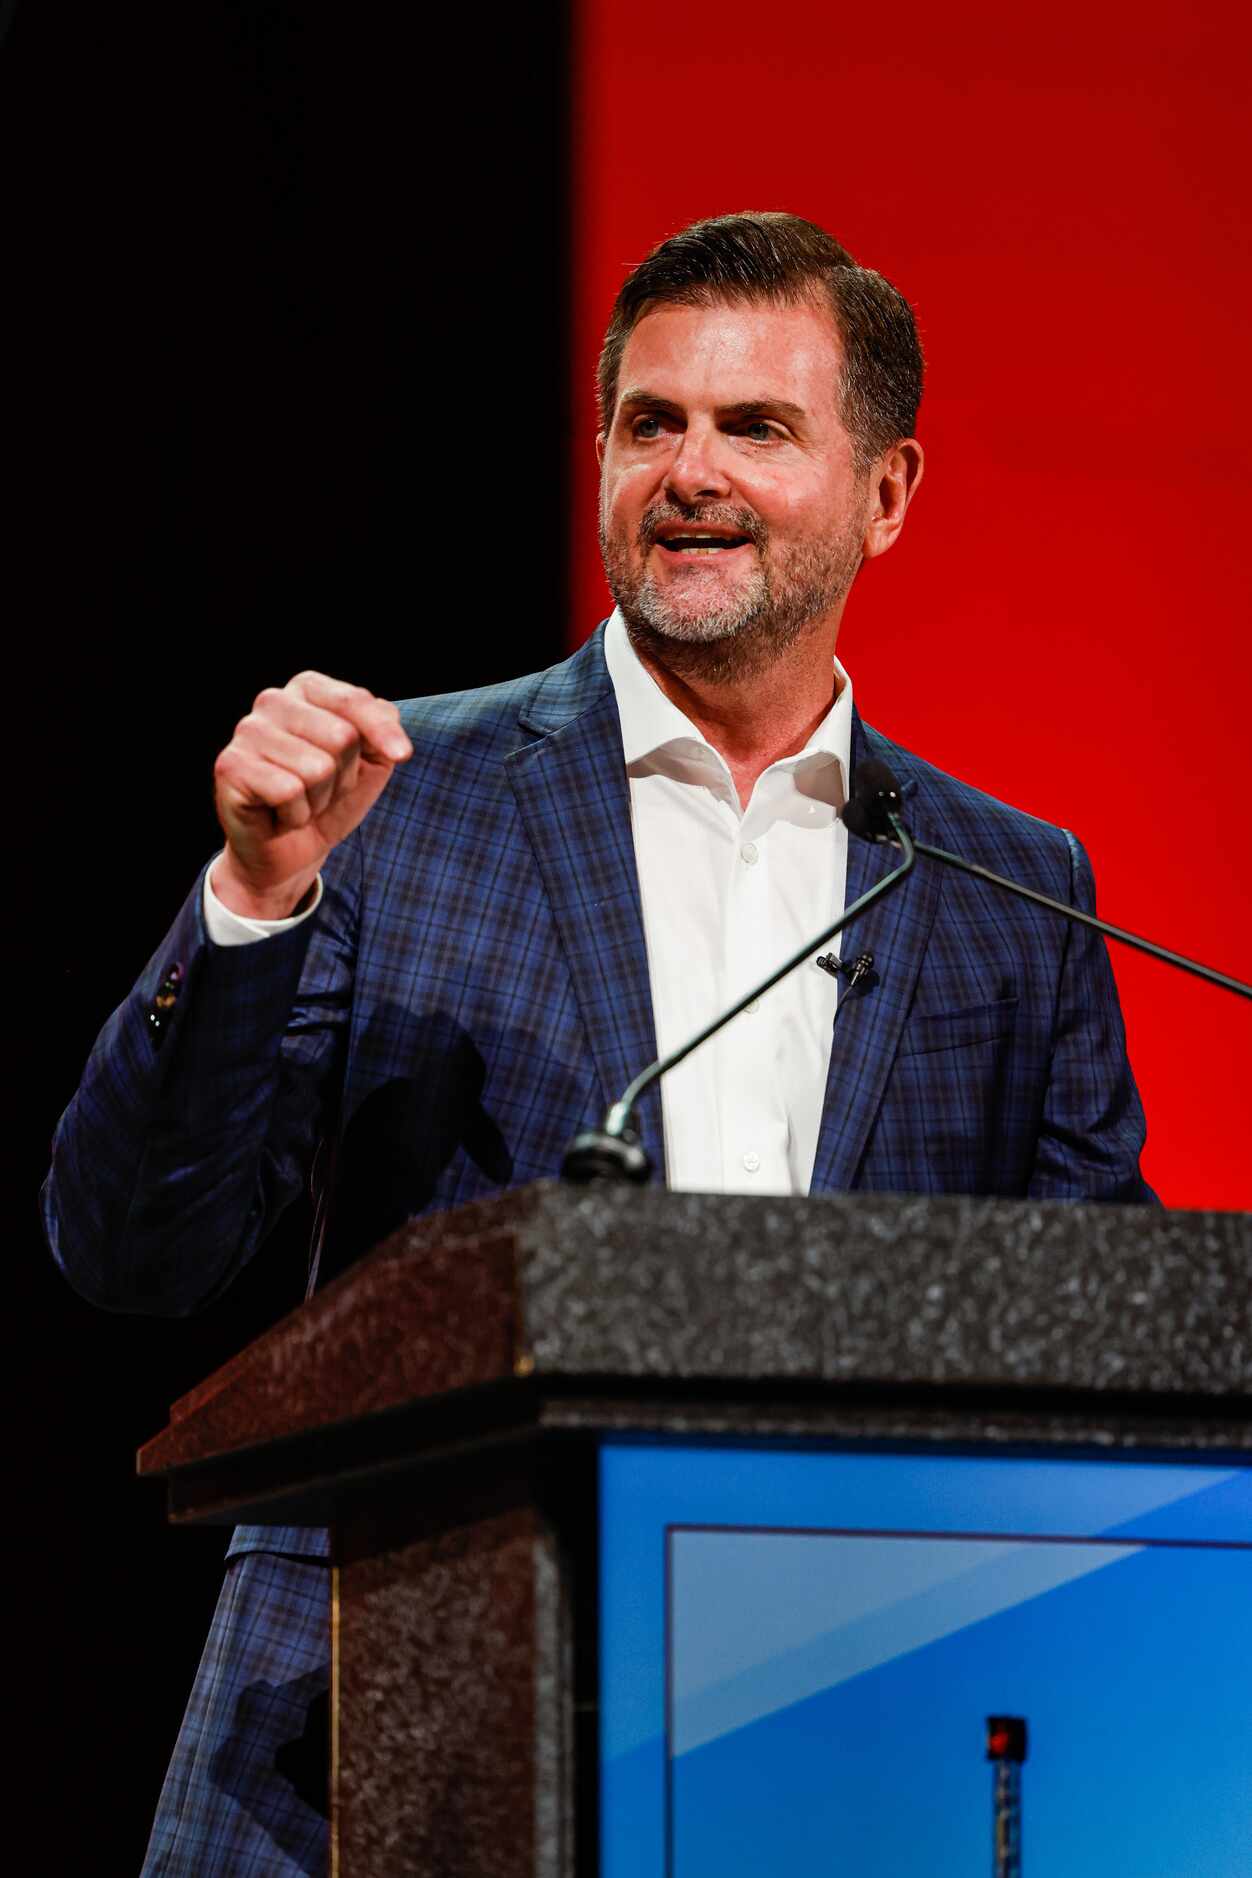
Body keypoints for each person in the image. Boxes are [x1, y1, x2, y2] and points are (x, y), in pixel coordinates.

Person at [43, 211, 1152, 1876]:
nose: (690, 471)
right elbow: (132, 1246)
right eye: (652, 423)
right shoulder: (396, 807)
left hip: (840, 1721)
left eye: (756, 428)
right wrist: (254, 897)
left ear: (890, 492)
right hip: (396, 1726)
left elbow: (1110, 1352)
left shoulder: (1009, 888)